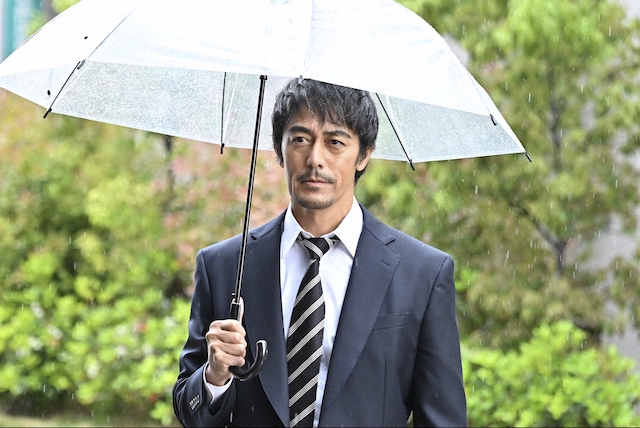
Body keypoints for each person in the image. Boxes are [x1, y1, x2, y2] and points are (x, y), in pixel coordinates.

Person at [172, 78, 467, 427]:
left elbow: (443, 419)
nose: (315, 159)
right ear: (279, 150)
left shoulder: (423, 274)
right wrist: (214, 376)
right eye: (300, 139)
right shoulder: (223, 266)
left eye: (335, 142)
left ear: (364, 154)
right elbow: (190, 412)